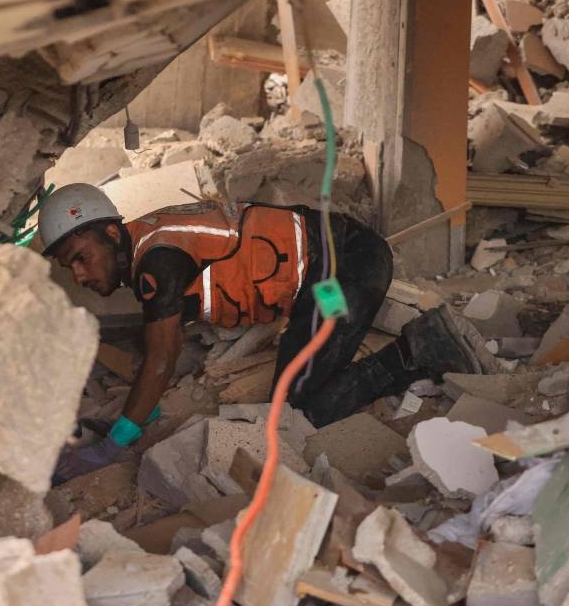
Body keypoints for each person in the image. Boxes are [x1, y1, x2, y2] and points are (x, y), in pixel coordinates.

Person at [43, 184, 494, 484]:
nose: (80, 275)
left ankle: (417, 350)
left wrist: (116, 444)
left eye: (82, 257)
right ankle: (381, 343)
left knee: (299, 409)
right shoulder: (149, 244)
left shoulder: (157, 260)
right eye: (71, 267)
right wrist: (137, 413)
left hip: (342, 275)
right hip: (331, 273)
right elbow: (159, 346)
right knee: (314, 363)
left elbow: (161, 358)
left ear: (108, 232)